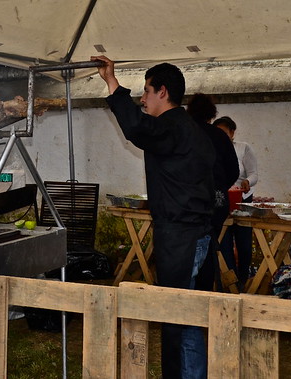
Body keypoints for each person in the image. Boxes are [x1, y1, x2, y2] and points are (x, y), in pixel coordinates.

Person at [91, 55, 214, 379]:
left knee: (173, 320)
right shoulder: (195, 130)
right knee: (189, 319)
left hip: (181, 239)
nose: (142, 99)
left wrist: (113, 83)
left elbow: (136, 127)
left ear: (162, 92)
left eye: (146, 91)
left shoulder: (172, 126)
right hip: (198, 235)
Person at [186, 93, 239, 292]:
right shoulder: (219, 136)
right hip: (216, 203)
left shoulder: (184, 132)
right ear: (211, 113)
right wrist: (219, 187)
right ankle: (206, 290)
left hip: (188, 204)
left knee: (189, 251)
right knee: (208, 249)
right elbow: (233, 170)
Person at [214, 116, 258, 288]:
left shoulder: (243, 148)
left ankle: (244, 278)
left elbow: (254, 173)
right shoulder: (212, 150)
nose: (221, 136)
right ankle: (231, 283)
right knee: (224, 242)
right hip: (222, 201)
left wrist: (248, 182)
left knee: (244, 243)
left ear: (232, 133)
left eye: (225, 133)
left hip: (242, 200)